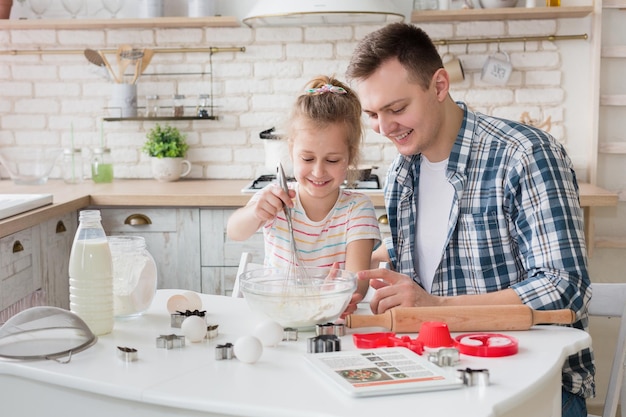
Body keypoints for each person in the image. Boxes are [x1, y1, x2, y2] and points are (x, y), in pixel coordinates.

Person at [345, 22, 594, 417]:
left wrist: (434, 306)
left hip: (532, 384)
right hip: (441, 375)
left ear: (439, 86)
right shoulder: (401, 173)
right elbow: (434, 251)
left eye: (396, 108)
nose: (384, 128)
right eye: (373, 114)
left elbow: (565, 286)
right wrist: (358, 273)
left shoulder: (524, 154)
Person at [227, 75, 381, 302]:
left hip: (330, 314)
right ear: (291, 150)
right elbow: (234, 231)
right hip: (277, 312)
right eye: (307, 159)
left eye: (332, 160)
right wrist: (256, 212)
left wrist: (340, 292)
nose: (318, 172)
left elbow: (358, 283)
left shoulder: (357, 210)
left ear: (350, 156)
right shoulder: (275, 198)